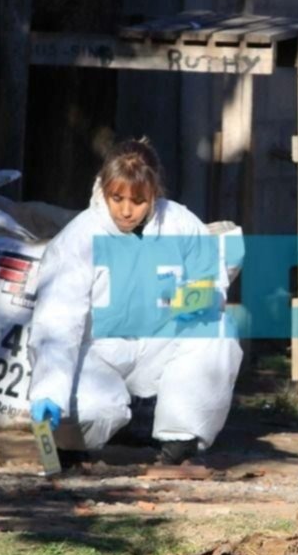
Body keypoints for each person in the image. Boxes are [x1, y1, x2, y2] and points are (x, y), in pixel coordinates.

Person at [27, 138, 242, 464]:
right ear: (104, 188)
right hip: (97, 352)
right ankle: (65, 450)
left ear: (155, 193)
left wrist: (186, 301)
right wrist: (48, 390)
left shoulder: (181, 224)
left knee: (218, 329)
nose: (126, 211)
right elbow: (57, 321)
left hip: (159, 344)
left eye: (139, 200)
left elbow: (211, 281)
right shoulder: (78, 239)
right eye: (117, 198)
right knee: (88, 409)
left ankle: (179, 442)